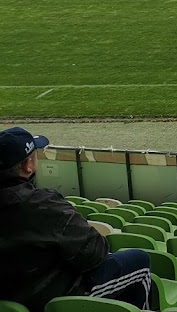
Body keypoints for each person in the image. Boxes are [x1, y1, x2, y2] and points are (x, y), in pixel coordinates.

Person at [0, 127, 157, 310]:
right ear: (29, 165)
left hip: (12, 298)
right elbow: (96, 253)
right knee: (140, 260)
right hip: (52, 298)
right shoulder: (44, 204)